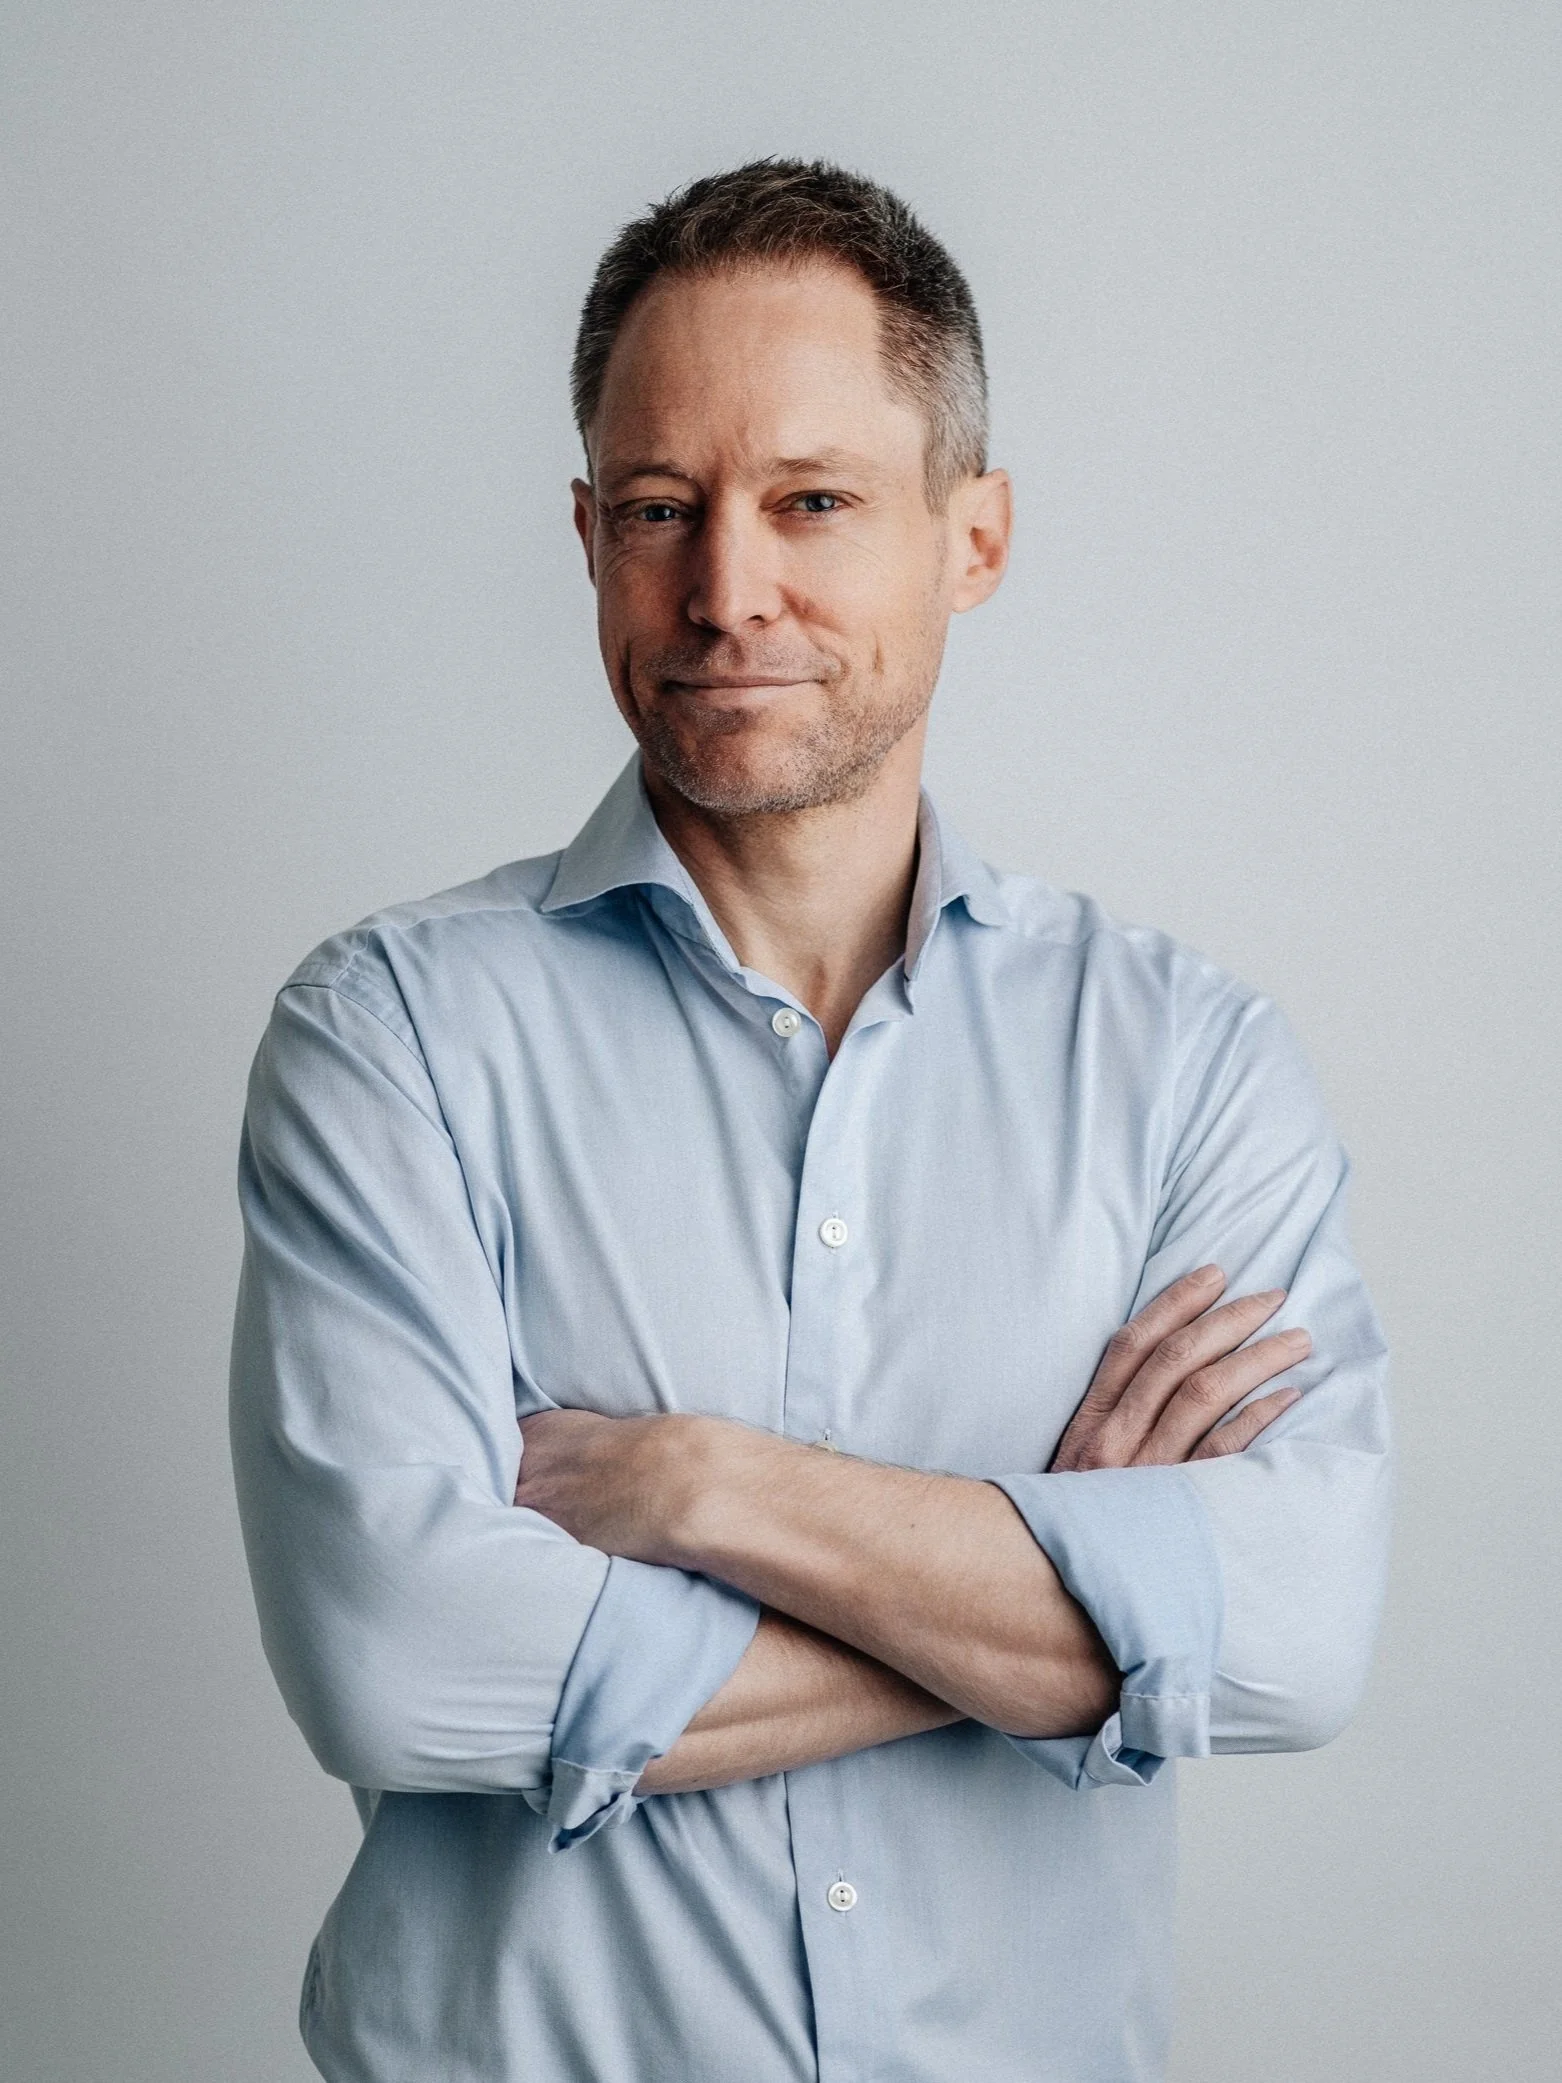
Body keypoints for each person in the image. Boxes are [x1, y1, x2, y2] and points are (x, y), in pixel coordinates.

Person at [230, 159, 1392, 2083]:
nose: (726, 592)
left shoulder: (1185, 1060)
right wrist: (1070, 1607)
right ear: (589, 533)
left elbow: (1291, 1635)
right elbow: (402, 1662)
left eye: (814, 503)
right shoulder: (397, 1035)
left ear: (976, 535)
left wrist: (706, 1491)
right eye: (663, 512)